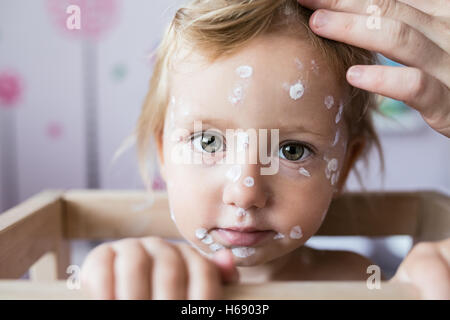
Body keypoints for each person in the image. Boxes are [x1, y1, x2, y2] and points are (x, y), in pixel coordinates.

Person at [80, 0, 450, 299]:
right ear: (163, 153)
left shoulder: (361, 283)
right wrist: (119, 274)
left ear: (345, 165)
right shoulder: (154, 281)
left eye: (291, 151)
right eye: (209, 142)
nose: (245, 192)